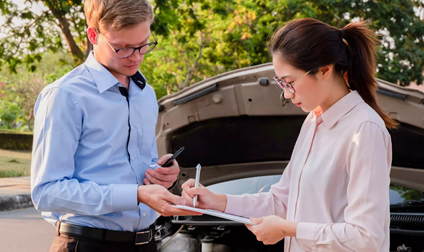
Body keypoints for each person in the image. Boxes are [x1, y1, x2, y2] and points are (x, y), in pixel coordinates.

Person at [182, 18, 395, 252]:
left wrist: (290, 230)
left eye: (289, 82)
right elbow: (281, 201)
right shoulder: (313, 121)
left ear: (324, 70)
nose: (285, 94)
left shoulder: (364, 129)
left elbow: (366, 238)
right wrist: (217, 201)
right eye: (280, 83)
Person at [30, 0, 197, 251]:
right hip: (86, 244)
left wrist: (161, 174)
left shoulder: (146, 94)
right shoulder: (65, 96)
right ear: (93, 35)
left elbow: (134, 169)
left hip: (147, 242)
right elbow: (47, 192)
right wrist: (135, 195)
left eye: (143, 45)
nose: (136, 57)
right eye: (123, 48)